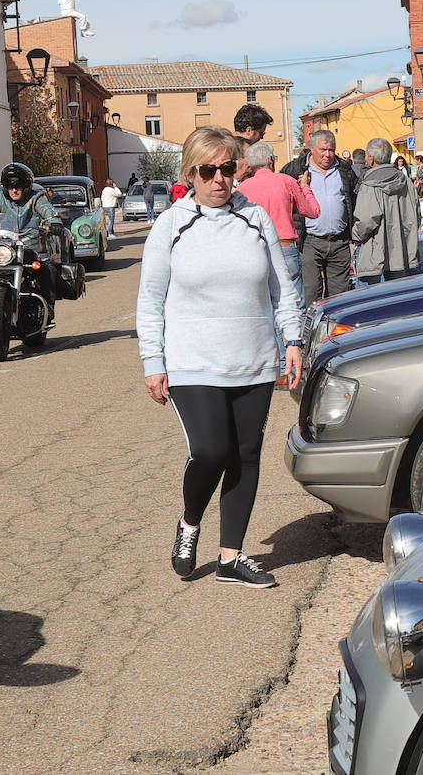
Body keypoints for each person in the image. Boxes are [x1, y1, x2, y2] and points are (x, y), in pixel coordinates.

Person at [136, 126, 303, 589]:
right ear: (191, 173)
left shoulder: (255, 218)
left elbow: (281, 287)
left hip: (253, 357)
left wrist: (293, 341)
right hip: (192, 362)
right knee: (212, 450)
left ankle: (231, 556)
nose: (219, 179)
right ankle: (190, 523)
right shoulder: (171, 224)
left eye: (228, 169)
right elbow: (150, 301)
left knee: (246, 455)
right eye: (208, 171)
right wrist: (154, 362)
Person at [237, 140, 319, 380]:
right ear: (271, 161)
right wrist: (305, 187)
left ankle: (282, 363)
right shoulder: (287, 181)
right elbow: (312, 211)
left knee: (270, 307)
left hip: (255, 250)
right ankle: (300, 357)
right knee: (297, 304)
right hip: (285, 247)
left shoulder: (243, 189)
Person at [0, 163, 62, 318]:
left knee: (49, 267)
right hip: (7, 245)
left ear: (26, 186)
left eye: (18, 186)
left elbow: (48, 210)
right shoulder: (1, 199)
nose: (14, 190)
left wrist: (54, 222)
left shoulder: (36, 198)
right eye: (10, 186)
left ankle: (47, 306)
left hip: (30, 248)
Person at [282, 130, 357, 305]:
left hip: (339, 242)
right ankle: (312, 331)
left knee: (339, 298)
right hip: (309, 242)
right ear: (311, 149)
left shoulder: (344, 170)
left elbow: (353, 199)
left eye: (331, 150)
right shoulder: (294, 170)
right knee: (311, 294)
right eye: (323, 149)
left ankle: (335, 331)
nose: (328, 155)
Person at [352, 138, 423, 285]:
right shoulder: (405, 180)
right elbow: (416, 214)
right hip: (402, 251)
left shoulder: (370, 184)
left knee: (372, 298)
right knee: (398, 297)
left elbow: (366, 220)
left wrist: (355, 235)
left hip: (375, 253)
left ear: (370, 158)